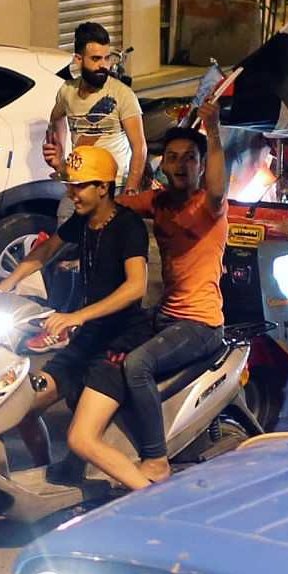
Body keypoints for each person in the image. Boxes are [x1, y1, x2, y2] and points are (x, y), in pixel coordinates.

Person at [0, 145, 155, 492]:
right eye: (70, 185)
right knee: (20, 407)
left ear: (103, 187)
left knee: (82, 438)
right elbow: (46, 251)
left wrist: (75, 316)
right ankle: (48, 482)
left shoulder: (128, 227)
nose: (72, 193)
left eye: (80, 186)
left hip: (119, 344)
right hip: (88, 338)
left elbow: (135, 287)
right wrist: (6, 283)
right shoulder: (82, 223)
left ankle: (151, 498)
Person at [112, 98, 229, 483]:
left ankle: (155, 458)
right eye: (173, 157)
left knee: (137, 365)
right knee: (99, 347)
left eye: (189, 159)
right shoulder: (159, 202)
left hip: (201, 323)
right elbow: (111, 206)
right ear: (162, 165)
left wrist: (212, 131)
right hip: (165, 315)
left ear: (200, 166)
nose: (180, 165)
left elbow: (218, 187)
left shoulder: (210, 206)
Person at [47, 23, 144, 191]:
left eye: (106, 58)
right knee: (64, 215)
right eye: (95, 59)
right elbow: (56, 118)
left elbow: (139, 147)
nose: (103, 65)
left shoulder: (122, 94)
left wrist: (130, 190)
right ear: (78, 59)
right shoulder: (67, 92)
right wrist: (60, 159)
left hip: (114, 185)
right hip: (80, 182)